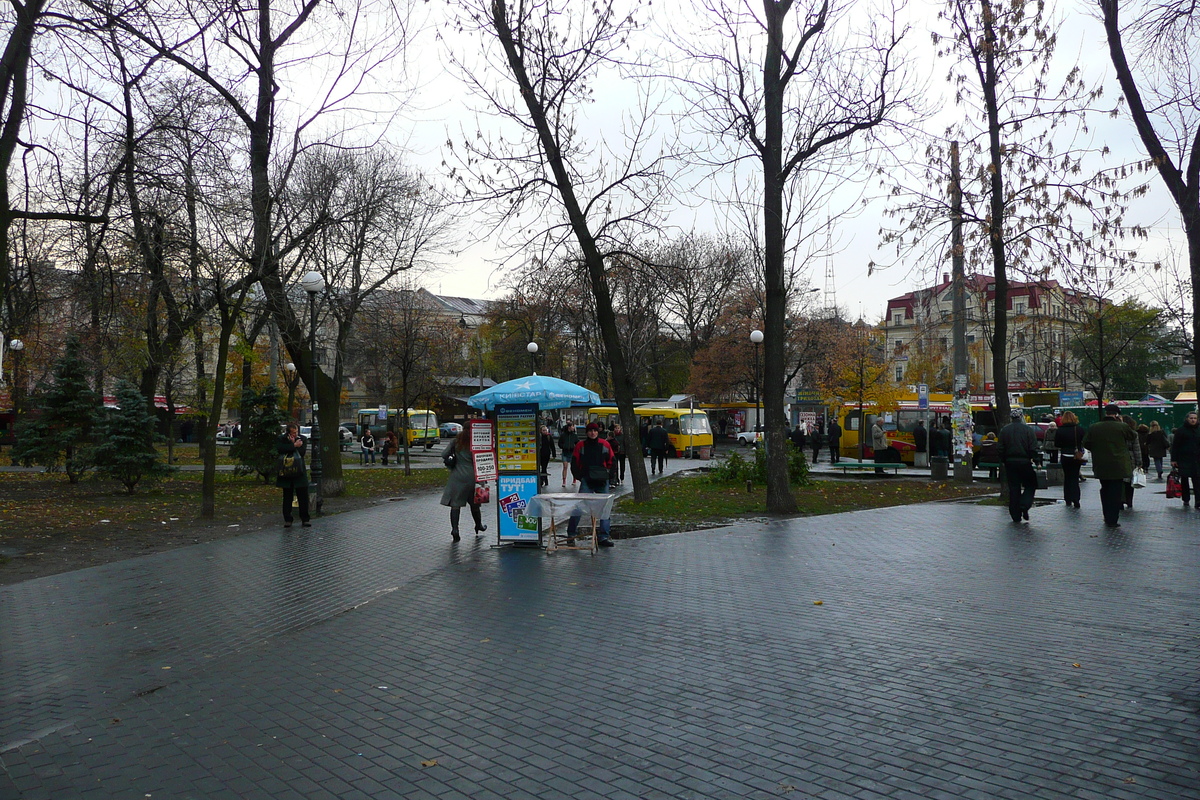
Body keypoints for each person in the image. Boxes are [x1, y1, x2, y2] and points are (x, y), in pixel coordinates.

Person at [1082, 404, 1137, 527]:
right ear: (1117, 414)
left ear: (1106, 413)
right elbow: (1133, 436)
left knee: (1105, 489)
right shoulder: (1122, 427)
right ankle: (1113, 519)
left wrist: (1098, 450)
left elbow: (1086, 443)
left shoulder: (1094, 427)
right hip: (1119, 465)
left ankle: (1107, 516)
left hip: (1101, 464)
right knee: (1116, 491)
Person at [567, 422, 616, 547]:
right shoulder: (580, 445)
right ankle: (571, 534)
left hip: (601, 481)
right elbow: (574, 462)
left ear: (597, 432)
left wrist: (609, 476)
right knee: (578, 507)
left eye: (594, 431)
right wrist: (580, 476)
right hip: (587, 480)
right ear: (587, 432)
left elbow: (612, 460)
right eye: (590, 431)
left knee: (605, 509)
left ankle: (604, 536)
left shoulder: (605, 444)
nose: (592, 433)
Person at [440, 429, 487, 542]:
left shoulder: (455, 442)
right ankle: (478, 525)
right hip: (473, 477)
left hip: (457, 476)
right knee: (475, 503)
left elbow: (443, 454)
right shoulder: (476, 443)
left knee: (455, 505)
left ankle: (455, 530)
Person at [998, 409, 1038, 523]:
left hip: (1010, 462)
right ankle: (1024, 504)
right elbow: (1033, 447)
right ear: (1021, 417)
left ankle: (1015, 514)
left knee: (1014, 488)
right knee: (1031, 485)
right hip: (1025, 462)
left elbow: (1000, 447)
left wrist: (1003, 460)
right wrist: (1036, 460)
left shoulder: (1004, 430)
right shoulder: (1028, 430)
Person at [276, 422, 311, 529]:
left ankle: (305, 518)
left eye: (296, 432)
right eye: (292, 433)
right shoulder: (282, 439)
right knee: (287, 496)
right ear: (288, 432)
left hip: (299, 470)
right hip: (286, 472)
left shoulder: (302, 439)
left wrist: (295, 446)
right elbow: (280, 449)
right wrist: (293, 445)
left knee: (303, 496)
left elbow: (302, 452)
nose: (295, 435)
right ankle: (288, 519)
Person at [1054, 411, 1086, 508]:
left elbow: (1057, 444)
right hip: (1076, 456)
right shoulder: (1079, 429)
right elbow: (1083, 441)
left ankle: (1068, 498)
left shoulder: (1060, 430)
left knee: (1067, 477)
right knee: (1075, 477)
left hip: (1065, 455)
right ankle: (1076, 499)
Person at [1170, 410, 1200, 508]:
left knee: (1197, 480)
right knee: (1184, 480)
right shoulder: (1181, 430)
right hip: (1184, 459)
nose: (1193, 420)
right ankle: (1186, 499)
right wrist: (1174, 459)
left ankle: (1198, 501)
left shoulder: (1198, 430)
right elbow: (1175, 446)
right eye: (1191, 418)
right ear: (1187, 419)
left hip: (1197, 459)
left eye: (1195, 418)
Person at [1122, 416, 1142, 509]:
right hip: (1131, 458)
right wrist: (1139, 462)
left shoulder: (1117, 433)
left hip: (1119, 457)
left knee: (1121, 480)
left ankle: (1121, 499)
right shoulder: (1133, 434)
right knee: (1129, 481)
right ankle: (1129, 501)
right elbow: (1136, 449)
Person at [559, 422, 579, 487]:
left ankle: (574, 479)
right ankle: (564, 481)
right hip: (565, 452)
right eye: (573, 426)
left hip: (572, 453)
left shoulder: (574, 435)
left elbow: (577, 443)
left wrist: (575, 448)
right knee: (565, 467)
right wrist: (563, 446)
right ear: (569, 427)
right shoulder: (563, 435)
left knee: (573, 467)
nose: (574, 428)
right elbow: (560, 443)